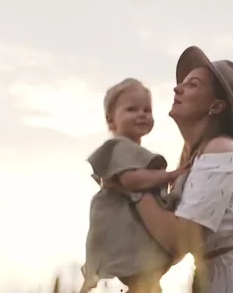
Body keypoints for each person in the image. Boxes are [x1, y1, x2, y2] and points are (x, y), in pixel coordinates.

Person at [103, 46, 233, 293]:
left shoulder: (222, 151)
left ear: (216, 106)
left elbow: (178, 239)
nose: (177, 88)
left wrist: (132, 187)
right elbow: (172, 242)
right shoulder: (197, 160)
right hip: (220, 278)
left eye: (192, 84)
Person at [80, 78, 188, 293]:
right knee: (137, 272)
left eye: (147, 110)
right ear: (111, 120)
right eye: (131, 109)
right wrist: (171, 175)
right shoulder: (118, 147)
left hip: (133, 226)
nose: (142, 114)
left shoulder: (134, 151)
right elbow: (132, 181)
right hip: (122, 225)